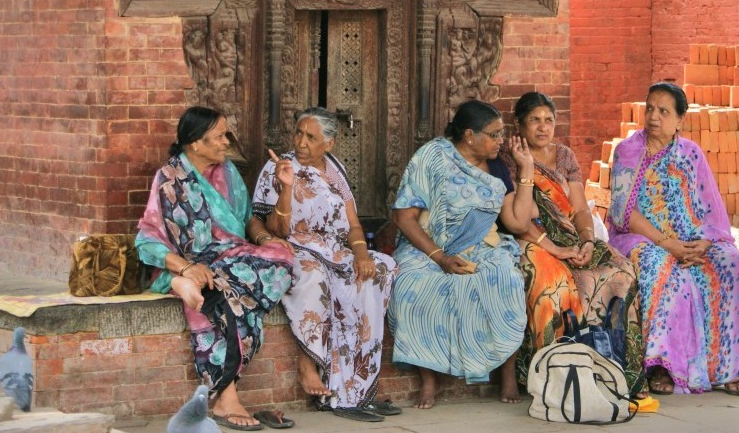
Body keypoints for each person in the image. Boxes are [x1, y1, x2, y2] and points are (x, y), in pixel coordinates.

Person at [136, 106, 295, 431]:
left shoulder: (228, 173)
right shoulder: (169, 178)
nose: (226, 142)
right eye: (220, 136)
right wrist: (184, 269)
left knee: (283, 258)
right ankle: (226, 395)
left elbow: (247, 218)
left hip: (233, 260)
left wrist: (265, 238)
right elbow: (147, 238)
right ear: (195, 142)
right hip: (193, 263)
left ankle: (194, 287)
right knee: (223, 300)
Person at [251, 107, 400, 424]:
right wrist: (287, 186)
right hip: (297, 247)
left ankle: (355, 389)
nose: (301, 142)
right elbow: (275, 228)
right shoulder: (277, 167)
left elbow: (353, 224)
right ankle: (313, 370)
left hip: (334, 249)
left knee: (381, 268)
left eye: (311, 137)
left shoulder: (336, 169)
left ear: (329, 144)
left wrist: (361, 253)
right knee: (314, 276)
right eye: (298, 134)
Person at [607, 82, 739, 395]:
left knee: (735, 267)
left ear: (679, 121)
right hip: (641, 238)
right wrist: (667, 243)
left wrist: (704, 242)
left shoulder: (691, 154)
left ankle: (727, 369)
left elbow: (709, 210)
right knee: (662, 270)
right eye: (649, 108)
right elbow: (624, 214)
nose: (653, 117)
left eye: (663, 111)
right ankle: (662, 367)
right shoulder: (628, 152)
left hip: (691, 240)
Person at [388, 99, 536, 408]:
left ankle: (507, 372)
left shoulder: (496, 165)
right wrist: (439, 257)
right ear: (469, 135)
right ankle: (428, 379)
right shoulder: (432, 157)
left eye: (501, 133)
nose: (500, 141)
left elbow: (517, 222)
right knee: (412, 286)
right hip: (428, 248)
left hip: (481, 247)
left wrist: (526, 170)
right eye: (493, 135)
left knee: (505, 279)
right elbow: (404, 218)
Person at [500, 92, 644, 390]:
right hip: (531, 239)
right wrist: (555, 249)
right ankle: (554, 380)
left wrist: (588, 241)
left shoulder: (564, 156)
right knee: (552, 282)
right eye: (534, 121)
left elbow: (579, 209)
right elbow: (516, 221)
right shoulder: (507, 157)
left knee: (621, 273)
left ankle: (616, 372)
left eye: (549, 120)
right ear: (519, 124)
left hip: (570, 237)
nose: (543, 127)